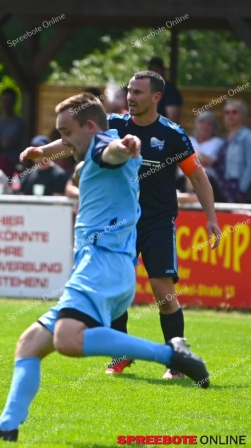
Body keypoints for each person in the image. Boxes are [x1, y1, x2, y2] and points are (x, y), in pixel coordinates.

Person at [0, 93, 209, 442]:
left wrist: (125, 146)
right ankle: (8, 426)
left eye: (65, 132)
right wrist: (43, 153)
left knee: (66, 340)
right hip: (99, 265)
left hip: (103, 265)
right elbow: (92, 151)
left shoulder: (102, 148)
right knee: (30, 344)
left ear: (90, 127)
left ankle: (170, 354)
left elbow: (112, 153)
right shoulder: (92, 147)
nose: (62, 140)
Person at [23, 71, 220, 379]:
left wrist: (211, 218)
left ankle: (176, 359)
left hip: (156, 221)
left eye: (139, 92)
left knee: (162, 291)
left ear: (156, 97)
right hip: (120, 224)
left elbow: (198, 177)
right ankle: (121, 353)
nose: (131, 96)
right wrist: (42, 152)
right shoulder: (114, 123)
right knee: (114, 292)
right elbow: (70, 138)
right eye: (129, 90)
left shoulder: (172, 134)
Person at [214, 99, 251, 203]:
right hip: (225, 188)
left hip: (239, 189)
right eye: (227, 112)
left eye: (234, 112)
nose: (230, 115)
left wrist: (242, 189)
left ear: (242, 115)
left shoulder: (247, 136)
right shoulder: (226, 137)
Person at [190, 111, 224, 179]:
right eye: (202, 122)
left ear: (214, 127)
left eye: (209, 123)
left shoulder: (218, 142)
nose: (205, 126)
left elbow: (213, 162)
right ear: (196, 124)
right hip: (184, 181)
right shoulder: (189, 139)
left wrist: (190, 155)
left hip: (209, 181)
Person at [148, 57, 182, 124]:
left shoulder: (170, 90)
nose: (154, 73)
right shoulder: (148, 89)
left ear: (163, 71)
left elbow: (172, 119)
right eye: (152, 70)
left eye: (157, 70)